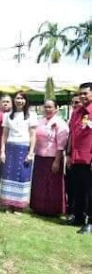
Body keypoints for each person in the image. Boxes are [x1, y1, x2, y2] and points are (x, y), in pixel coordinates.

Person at [0, 91, 37, 212]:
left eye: (22, 98)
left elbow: (33, 135)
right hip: (10, 148)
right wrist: (2, 151)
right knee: (8, 175)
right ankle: (8, 204)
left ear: (25, 101)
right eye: (17, 98)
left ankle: (19, 206)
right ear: (13, 100)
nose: (19, 101)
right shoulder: (7, 116)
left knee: (22, 176)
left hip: (24, 148)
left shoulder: (31, 115)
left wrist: (31, 152)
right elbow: (4, 134)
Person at [30, 99, 69, 216]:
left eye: (50, 107)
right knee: (39, 183)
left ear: (56, 109)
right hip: (40, 156)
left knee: (52, 184)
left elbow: (61, 145)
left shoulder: (61, 123)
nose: (47, 110)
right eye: (45, 107)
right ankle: (38, 207)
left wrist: (57, 161)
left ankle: (53, 209)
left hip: (53, 157)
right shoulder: (39, 121)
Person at [67, 83, 92, 234]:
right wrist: (69, 154)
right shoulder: (76, 112)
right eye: (80, 94)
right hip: (76, 158)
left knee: (91, 191)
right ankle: (78, 217)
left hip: (89, 158)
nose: (82, 96)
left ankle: (90, 222)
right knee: (78, 189)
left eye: (85, 93)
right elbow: (72, 134)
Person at [64, 94, 82, 223]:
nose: (75, 105)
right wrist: (69, 154)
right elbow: (71, 136)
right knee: (72, 186)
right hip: (72, 156)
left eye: (77, 102)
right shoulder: (74, 117)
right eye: (73, 103)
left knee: (84, 189)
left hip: (85, 158)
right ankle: (73, 213)